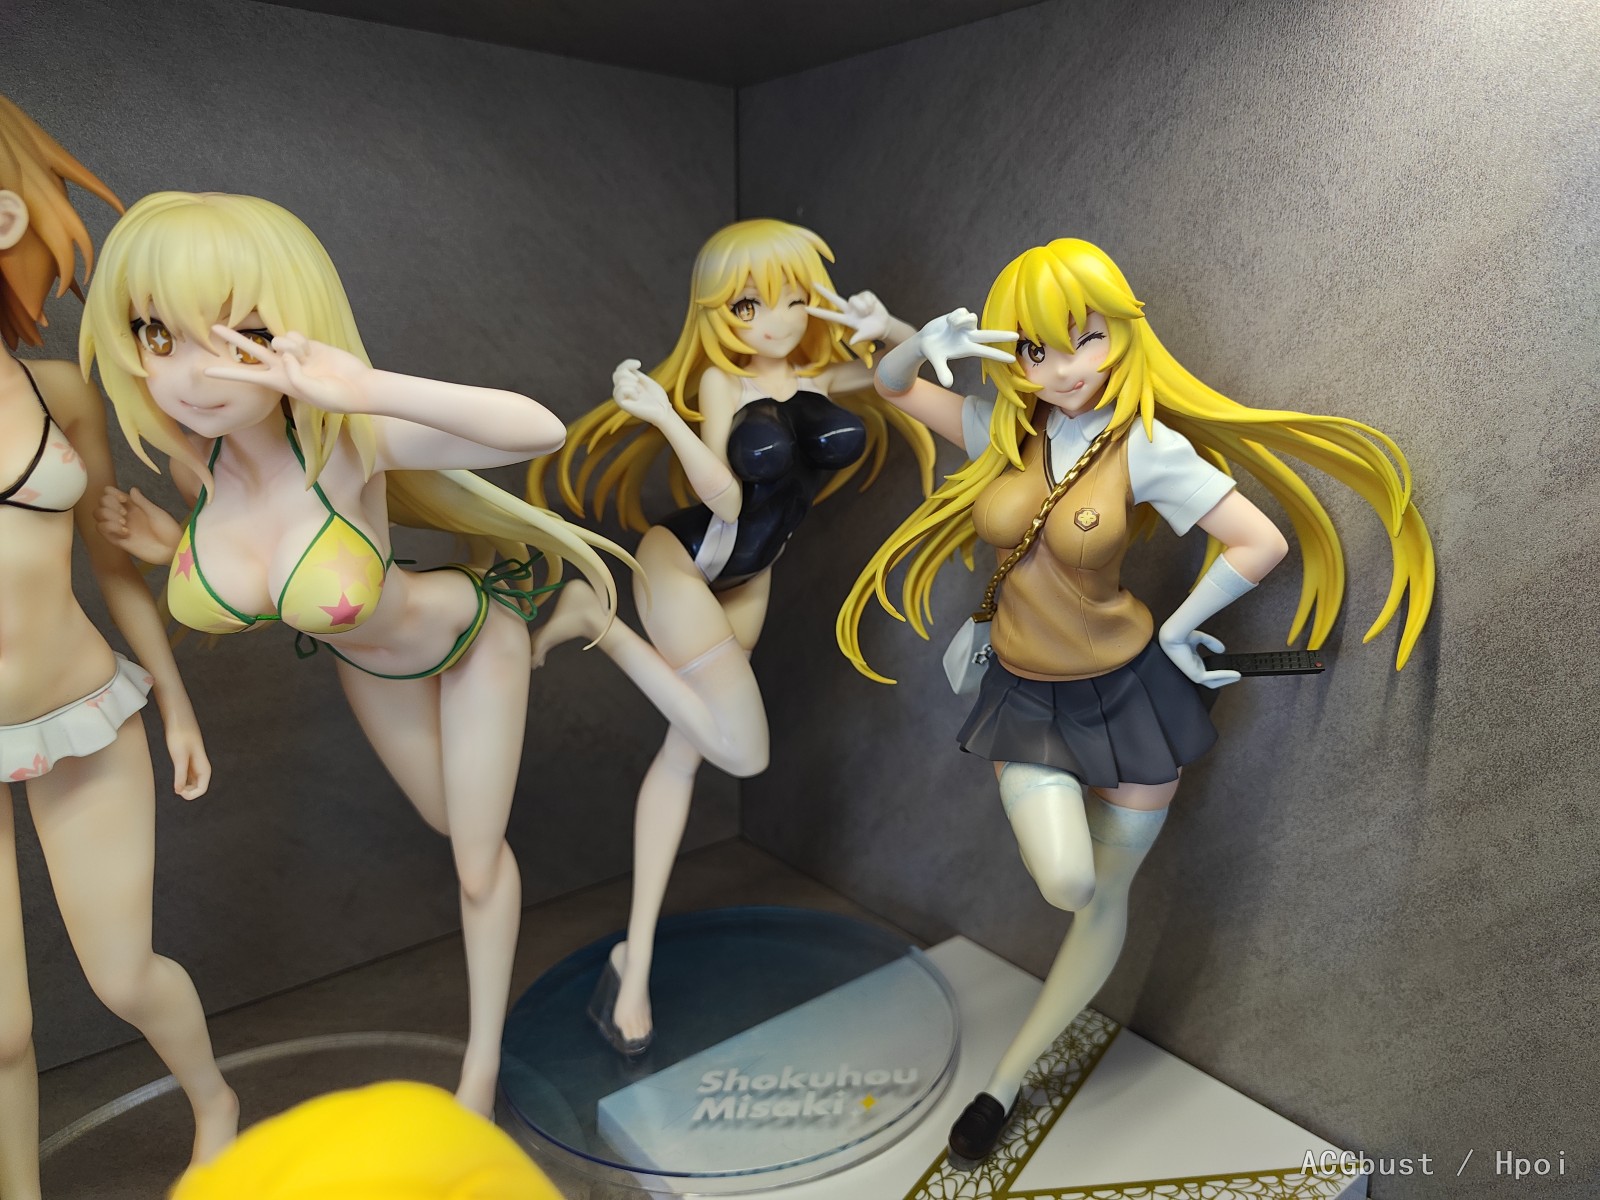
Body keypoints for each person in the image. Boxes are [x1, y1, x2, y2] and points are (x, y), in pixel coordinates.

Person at [839, 237, 1435, 1159]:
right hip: (1026, 696)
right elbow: (893, 388)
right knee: (1068, 879)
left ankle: (1005, 1082)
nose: (1064, 369)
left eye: (1085, 339)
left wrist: (1182, 626)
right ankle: (1014, 1065)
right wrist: (918, 339)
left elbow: (1260, 541)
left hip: (1132, 696)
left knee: (1101, 895)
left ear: (1122, 333)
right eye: (1036, 350)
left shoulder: (1148, 447)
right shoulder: (1002, 430)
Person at [85, 190, 630, 1116]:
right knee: (450, 823)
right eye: (157, 334)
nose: (190, 375)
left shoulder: (348, 441)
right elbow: (254, 568)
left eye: (240, 335)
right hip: (369, 667)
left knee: (476, 862)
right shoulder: (197, 467)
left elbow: (539, 429)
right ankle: (560, 625)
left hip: (467, 638)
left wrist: (363, 388)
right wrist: (166, 546)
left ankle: (482, 1064)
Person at [527, 218, 934, 1053]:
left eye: (791, 298)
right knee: (742, 753)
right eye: (749, 304)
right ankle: (595, 620)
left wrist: (889, 325)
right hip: (683, 562)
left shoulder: (824, 374)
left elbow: (908, 374)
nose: (773, 320)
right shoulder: (722, 382)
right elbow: (724, 500)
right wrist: (663, 419)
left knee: (683, 755)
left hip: (751, 577)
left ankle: (634, 961)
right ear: (718, 312)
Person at [0, 95, 237, 1198]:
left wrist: (176, 705)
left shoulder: (58, 393)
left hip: (83, 712)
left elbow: (112, 564)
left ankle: (214, 1100)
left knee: (124, 976)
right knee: (0, 1029)